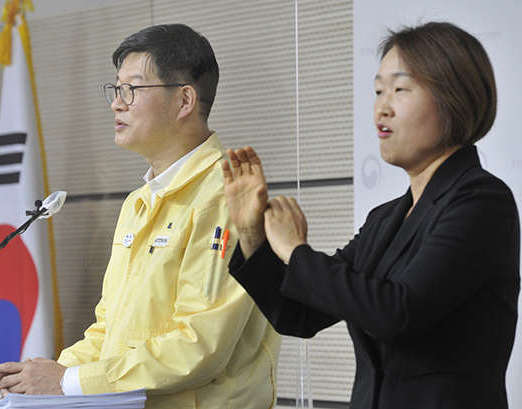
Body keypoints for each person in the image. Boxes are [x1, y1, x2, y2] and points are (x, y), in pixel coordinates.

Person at [222, 21, 520, 409]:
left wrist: (296, 251)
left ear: (454, 98)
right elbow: (299, 314)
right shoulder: (386, 218)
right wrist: (252, 235)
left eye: (400, 89)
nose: (382, 106)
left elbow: (399, 313)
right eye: (378, 90)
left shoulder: (482, 201)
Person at [0, 23, 281, 409]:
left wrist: (68, 381)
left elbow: (200, 345)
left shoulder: (225, 197)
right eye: (116, 89)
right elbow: (110, 330)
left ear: (185, 100)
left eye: (131, 89)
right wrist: (43, 375)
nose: (116, 103)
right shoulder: (137, 203)